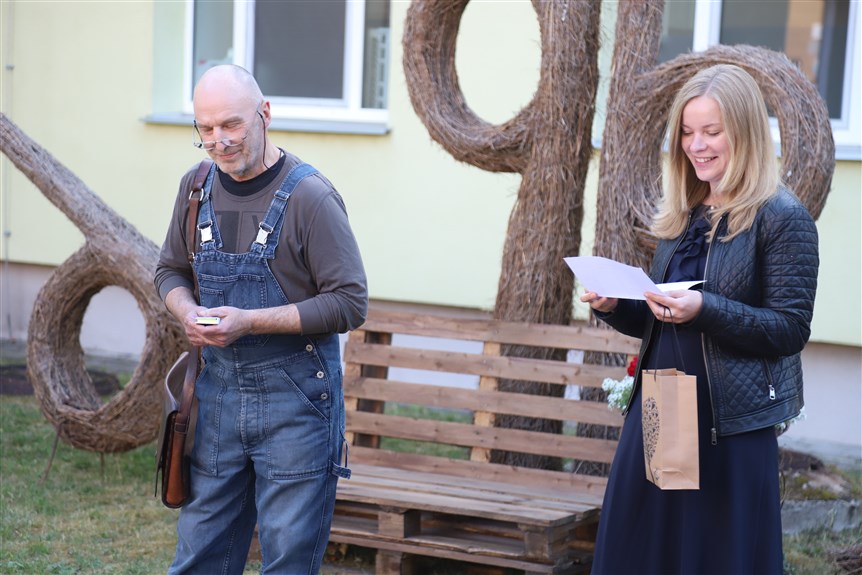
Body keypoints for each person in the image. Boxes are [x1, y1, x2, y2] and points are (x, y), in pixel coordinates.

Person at [582, 64, 819, 574]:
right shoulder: (685, 211)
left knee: (713, 557)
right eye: (688, 132)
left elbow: (790, 329)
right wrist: (616, 306)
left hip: (727, 428)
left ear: (746, 132)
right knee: (644, 551)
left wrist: (705, 310)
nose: (697, 145)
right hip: (663, 408)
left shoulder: (782, 217)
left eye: (711, 131)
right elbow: (662, 317)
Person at [154, 64, 368, 574]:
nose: (219, 141)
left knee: (288, 561)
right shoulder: (196, 188)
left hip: (297, 405)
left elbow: (349, 302)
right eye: (206, 128)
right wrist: (186, 310)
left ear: (264, 113)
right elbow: (169, 270)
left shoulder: (311, 198)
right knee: (199, 557)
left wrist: (250, 321)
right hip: (217, 398)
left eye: (232, 124)